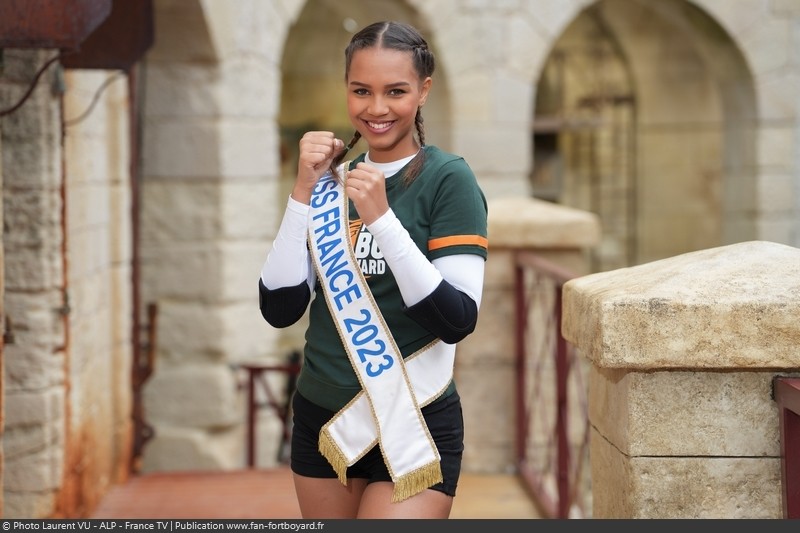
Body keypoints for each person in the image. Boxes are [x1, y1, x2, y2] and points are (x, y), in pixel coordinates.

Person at [258, 20, 488, 519]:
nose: (377, 108)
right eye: (361, 91)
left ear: (423, 91)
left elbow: (457, 319)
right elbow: (279, 308)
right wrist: (302, 191)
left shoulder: (449, 178)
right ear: (346, 89)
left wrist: (382, 220)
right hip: (324, 419)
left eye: (396, 91)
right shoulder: (327, 185)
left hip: (415, 418)